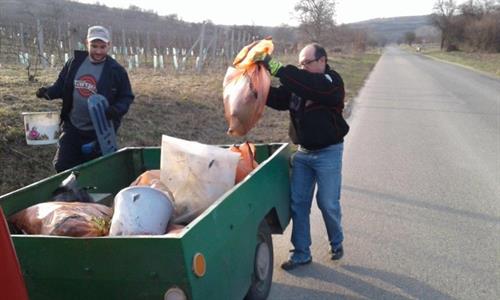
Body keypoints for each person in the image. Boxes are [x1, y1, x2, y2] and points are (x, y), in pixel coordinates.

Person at [256, 43, 349, 270]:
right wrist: (256, 87)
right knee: (299, 204)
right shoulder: (300, 83)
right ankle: (301, 253)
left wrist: (277, 67)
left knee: (327, 203)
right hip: (304, 154)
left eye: (307, 62)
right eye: (301, 63)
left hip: (329, 153)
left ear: (322, 61)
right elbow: (280, 99)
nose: (303, 67)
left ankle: (336, 242)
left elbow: (309, 85)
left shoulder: (331, 83)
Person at [36, 25, 134, 172]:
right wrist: (47, 92)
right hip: (72, 127)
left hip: (100, 131)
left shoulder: (116, 71)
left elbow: (126, 96)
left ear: (109, 45)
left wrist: (116, 110)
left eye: (102, 46)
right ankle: (71, 193)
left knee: (97, 171)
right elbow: (62, 86)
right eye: (94, 46)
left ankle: (89, 193)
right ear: (86, 43)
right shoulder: (74, 63)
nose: (99, 51)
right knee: (62, 165)